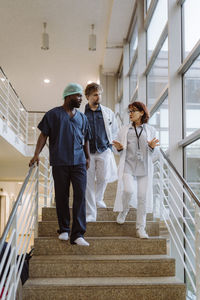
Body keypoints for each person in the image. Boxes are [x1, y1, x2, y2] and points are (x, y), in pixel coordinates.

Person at [29, 83, 91, 246]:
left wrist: (88, 157)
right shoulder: (53, 114)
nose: (80, 99)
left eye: (81, 96)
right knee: (62, 196)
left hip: (78, 162)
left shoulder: (82, 117)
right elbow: (43, 135)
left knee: (80, 195)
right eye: (78, 96)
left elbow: (85, 139)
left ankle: (78, 234)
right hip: (60, 161)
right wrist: (36, 154)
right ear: (68, 96)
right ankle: (64, 229)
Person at [112, 101, 159, 239]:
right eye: (129, 111)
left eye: (133, 111)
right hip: (128, 165)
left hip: (144, 167)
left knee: (142, 197)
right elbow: (118, 151)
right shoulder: (124, 129)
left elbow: (155, 153)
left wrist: (151, 147)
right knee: (128, 190)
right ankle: (125, 209)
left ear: (142, 112)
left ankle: (140, 228)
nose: (130, 114)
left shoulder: (150, 130)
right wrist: (119, 149)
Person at [84, 82, 118, 222]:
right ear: (87, 96)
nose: (98, 97)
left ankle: (99, 198)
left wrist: (110, 147)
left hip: (104, 150)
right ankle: (91, 213)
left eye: (99, 94)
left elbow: (114, 130)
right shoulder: (82, 114)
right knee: (89, 182)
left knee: (103, 177)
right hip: (88, 153)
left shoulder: (108, 112)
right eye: (95, 95)